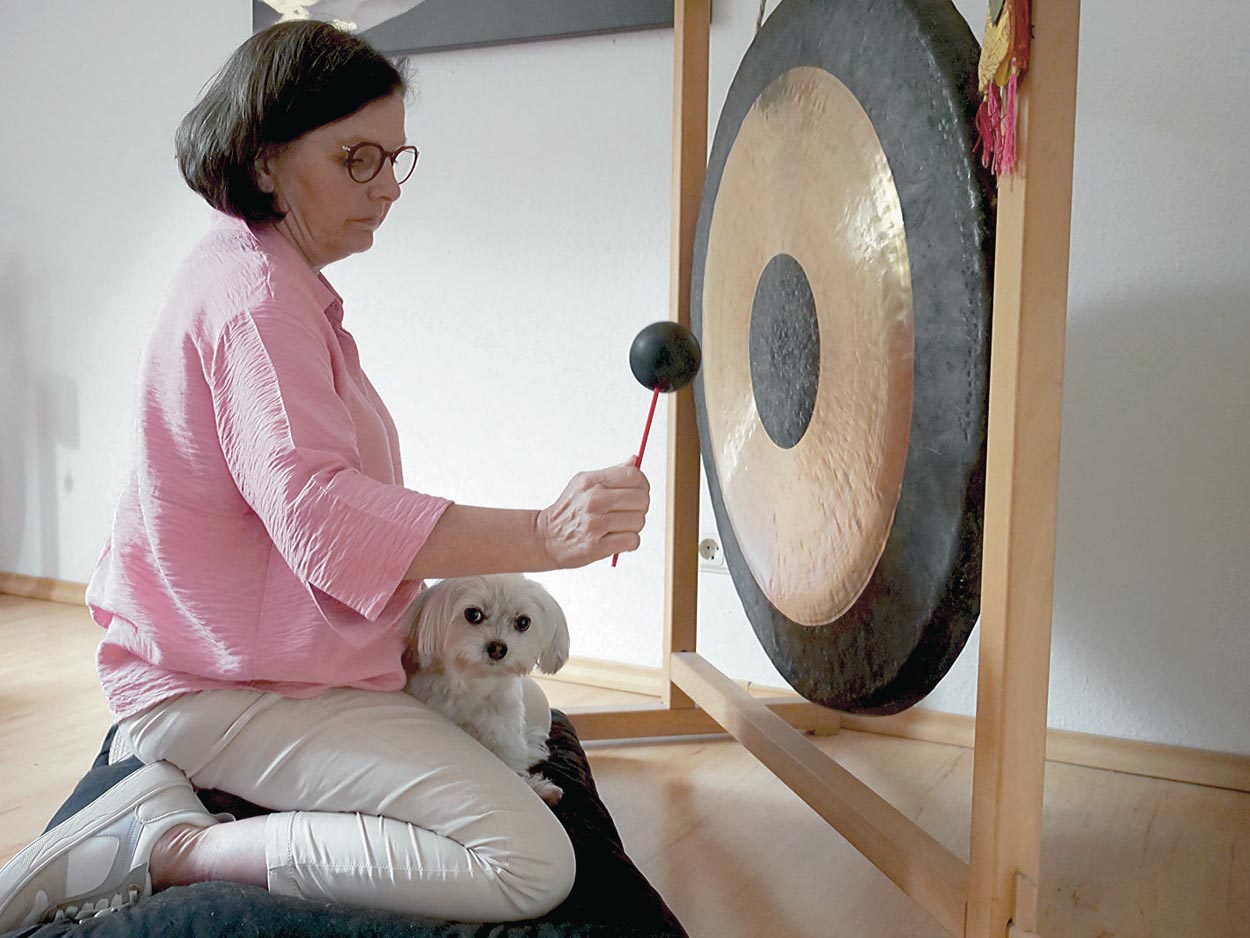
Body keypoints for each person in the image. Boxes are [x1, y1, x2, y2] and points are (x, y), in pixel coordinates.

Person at [0, 20, 649, 931]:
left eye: (394, 158)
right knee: (530, 863)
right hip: (213, 691)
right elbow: (323, 519)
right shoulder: (259, 301)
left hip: (254, 667)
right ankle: (171, 847)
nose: (386, 186)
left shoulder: (268, 274)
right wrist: (546, 533)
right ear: (265, 161)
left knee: (524, 706)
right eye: (356, 158)